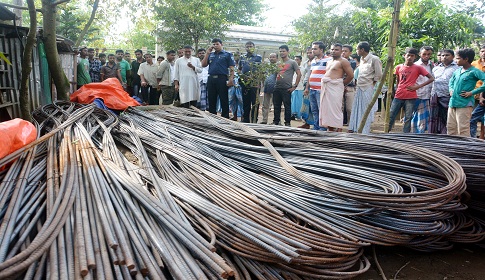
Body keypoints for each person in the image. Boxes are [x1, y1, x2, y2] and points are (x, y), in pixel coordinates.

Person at [388, 47, 434, 133]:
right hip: (399, 95)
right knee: (391, 115)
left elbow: (431, 78)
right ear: (404, 56)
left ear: (415, 57)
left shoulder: (418, 67)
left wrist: (418, 86)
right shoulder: (398, 67)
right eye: (408, 55)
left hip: (411, 96)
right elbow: (397, 80)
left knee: (408, 117)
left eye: (412, 56)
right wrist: (396, 90)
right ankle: (386, 132)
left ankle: (406, 136)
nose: (410, 57)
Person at [447, 48, 485, 136]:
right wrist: (451, 89)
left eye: (458, 58)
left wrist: (472, 92)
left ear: (466, 59)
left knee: (463, 128)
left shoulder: (474, 71)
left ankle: (464, 148)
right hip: (452, 103)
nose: (456, 60)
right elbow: (451, 82)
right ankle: (451, 147)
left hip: (465, 104)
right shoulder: (457, 71)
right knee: (451, 127)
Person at [348, 41, 383, 133]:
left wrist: (372, 84)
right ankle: (356, 128)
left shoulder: (374, 59)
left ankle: (364, 131)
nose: (356, 51)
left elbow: (379, 74)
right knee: (357, 109)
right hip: (359, 86)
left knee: (365, 110)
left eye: (357, 49)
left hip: (367, 87)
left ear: (362, 50)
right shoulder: (362, 60)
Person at [319, 43, 354, 131]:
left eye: (336, 50)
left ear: (341, 51)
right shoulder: (329, 62)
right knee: (327, 109)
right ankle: (330, 128)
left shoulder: (343, 61)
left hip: (336, 87)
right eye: (332, 49)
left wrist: (341, 84)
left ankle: (338, 129)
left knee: (336, 108)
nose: (333, 51)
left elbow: (351, 75)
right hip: (327, 87)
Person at [201, 38, 235, 118]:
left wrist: (231, 79)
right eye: (214, 44)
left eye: (217, 44)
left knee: (223, 98)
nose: (215, 46)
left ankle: (225, 117)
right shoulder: (211, 55)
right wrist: (207, 53)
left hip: (222, 79)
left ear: (221, 44)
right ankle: (213, 116)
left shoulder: (227, 54)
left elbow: (232, 68)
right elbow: (203, 65)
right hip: (211, 79)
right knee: (211, 99)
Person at [429, 49, 459, 134]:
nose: (444, 57)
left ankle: (447, 136)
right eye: (442, 55)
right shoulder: (435, 68)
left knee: (448, 119)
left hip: (448, 96)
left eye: (447, 55)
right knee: (435, 118)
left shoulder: (457, 68)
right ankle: (435, 136)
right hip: (435, 96)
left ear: (453, 56)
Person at [303, 41, 331, 130]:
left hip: (321, 89)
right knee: (314, 110)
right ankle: (316, 127)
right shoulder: (313, 61)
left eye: (315, 49)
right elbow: (311, 74)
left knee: (322, 110)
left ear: (321, 50)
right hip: (312, 89)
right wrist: (307, 87)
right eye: (312, 48)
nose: (313, 51)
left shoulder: (329, 60)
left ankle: (322, 128)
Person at [273, 45, 301, 126]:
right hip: (277, 88)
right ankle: (276, 122)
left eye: (283, 51)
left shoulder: (292, 62)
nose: (282, 53)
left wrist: (294, 86)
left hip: (287, 88)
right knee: (276, 106)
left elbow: (299, 74)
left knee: (287, 107)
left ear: (288, 52)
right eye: (280, 51)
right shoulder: (278, 63)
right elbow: (275, 74)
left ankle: (287, 123)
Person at [411, 46, 434, 133]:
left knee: (423, 117)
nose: (426, 56)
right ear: (420, 54)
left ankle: (420, 134)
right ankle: (415, 134)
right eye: (424, 54)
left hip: (427, 94)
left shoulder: (432, 65)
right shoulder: (415, 65)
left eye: (429, 54)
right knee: (415, 115)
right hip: (416, 94)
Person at [239, 41, 263, 123]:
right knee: (246, 101)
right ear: (245, 47)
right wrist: (241, 77)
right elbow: (239, 69)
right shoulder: (242, 57)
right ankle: (246, 119)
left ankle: (254, 119)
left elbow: (261, 70)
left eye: (251, 46)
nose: (249, 48)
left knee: (255, 102)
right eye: (247, 46)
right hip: (245, 83)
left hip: (255, 83)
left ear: (254, 47)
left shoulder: (258, 57)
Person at [470, 44, 485, 138]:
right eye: (482, 51)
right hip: (473, 94)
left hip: (483, 95)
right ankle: (473, 137)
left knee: (483, 119)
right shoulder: (473, 64)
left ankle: (482, 136)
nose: (484, 53)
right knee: (472, 117)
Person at [297, 47, 315, 129]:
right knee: (305, 105)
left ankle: (316, 124)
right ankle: (306, 123)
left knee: (313, 106)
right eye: (307, 52)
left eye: (310, 52)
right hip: (305, 85)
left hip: (313, 85)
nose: (309, 54)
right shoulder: (305, 63)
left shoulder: (316, 62)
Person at [341, 44, 357, 125]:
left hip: (349, 87)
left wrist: (344, 85)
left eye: (345, 51)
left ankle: (351, 125)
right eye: (342, 51)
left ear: (350, 53)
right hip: (339, 87)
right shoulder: (337, 61)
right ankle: (339, 125)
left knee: (350, 108)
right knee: (340, 108)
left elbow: (349, 75)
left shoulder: (352, 62)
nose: (343, 53)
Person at [260, 53, 278, 124]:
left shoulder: (278, 67)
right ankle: (264, 120)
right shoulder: (266, 67)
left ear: (277, 58)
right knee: (265, 105)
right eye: (270, 57)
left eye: (273, 57)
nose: (272, 58)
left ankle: (276, 121)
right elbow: (262, 76)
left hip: (276, 89)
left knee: (276, 105)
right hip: (267, 88)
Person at [230, 52, 243, 120]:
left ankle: (243, 116)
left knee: (241, 101)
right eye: (235, 56)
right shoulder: (231, 65)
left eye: (238, 56)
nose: (236, 57)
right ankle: (235, 116)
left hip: (240, 85)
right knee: (233, 101)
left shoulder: (242, 64)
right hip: (233, 85)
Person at [291, 55, 304, 120]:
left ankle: (299, 116)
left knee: (299, 102)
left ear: (300, 60)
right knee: (292, 102)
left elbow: (303, 78)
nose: (296, 61)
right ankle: (292, 114)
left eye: (297, 60)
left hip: (300, 87)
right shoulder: (291, 68)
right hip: (292, 87)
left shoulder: (302, 69)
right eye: (295, 60)